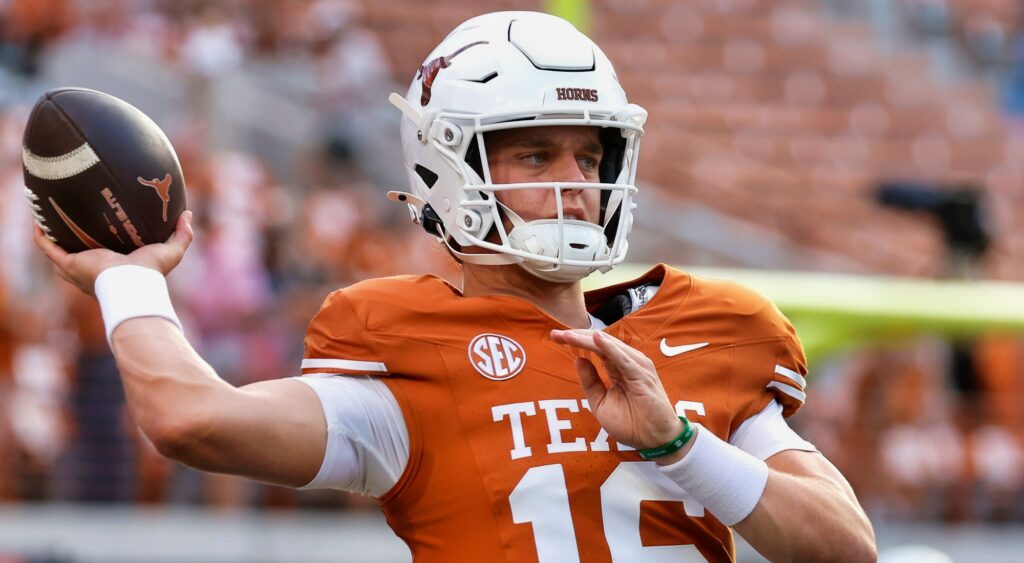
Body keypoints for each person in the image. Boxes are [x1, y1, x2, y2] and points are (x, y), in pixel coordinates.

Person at [34, 11, 876, 562]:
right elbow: (192, 418)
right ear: (448, 168)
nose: (576, 183)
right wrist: (129, 283)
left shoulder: (711, 329)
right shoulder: (404, 346)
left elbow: (846, 548)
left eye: (590, 155)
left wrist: (679, 443)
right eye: (536, 154)